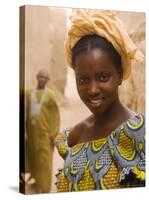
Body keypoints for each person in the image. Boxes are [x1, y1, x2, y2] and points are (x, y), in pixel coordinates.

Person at [55, 9, 145, 192]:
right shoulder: (74, 136)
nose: (93, 90)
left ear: (120, 75)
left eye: (103, 77)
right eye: (83, 79)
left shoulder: (140, 135)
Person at [25, 68, 60, 193]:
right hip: (31, 132)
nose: (42, 80)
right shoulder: (29, 93)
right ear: (36, 77)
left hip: (45, 133)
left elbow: (55, 115)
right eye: (41, 77)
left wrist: (53, 133)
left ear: (48, 80)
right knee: (33, 157)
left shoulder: (50, 95)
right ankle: (36, 181)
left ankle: (44, 188)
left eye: (45, 78)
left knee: (44, 160)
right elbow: (23, 112)